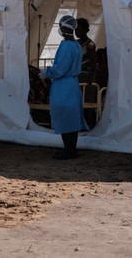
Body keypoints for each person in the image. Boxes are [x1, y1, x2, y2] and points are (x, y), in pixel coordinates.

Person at [42, 15, 89, 159]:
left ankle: (68, 150)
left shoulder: (67, 46)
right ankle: (71, 149)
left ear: (64, 27)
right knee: (72, 117)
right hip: (72, 83)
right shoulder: (76, 45)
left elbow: (60, 69)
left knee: (65, 116)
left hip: (63, 85)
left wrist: (46, 73)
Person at [75, 18, 98, 85]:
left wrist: (90, 78)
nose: (76, 32)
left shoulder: (90, 45)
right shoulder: (76, 43)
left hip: (86, 75)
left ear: (85, 31)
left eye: (78, 30)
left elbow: (93, 62)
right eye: (75, 30)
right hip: (77, 74)